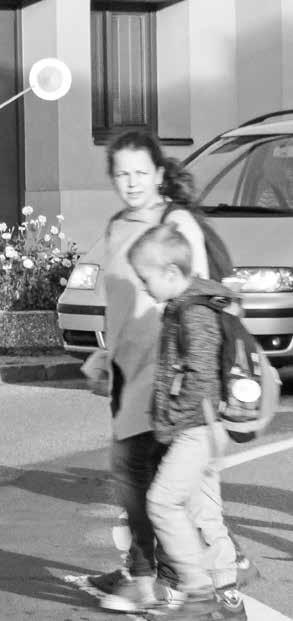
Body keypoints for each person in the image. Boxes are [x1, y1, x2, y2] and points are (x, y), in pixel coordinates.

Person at [91, 130, 250, 612]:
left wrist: (189, 401)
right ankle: (168, 578)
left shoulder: (175, 226)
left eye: (141, 172)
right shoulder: (119, 225)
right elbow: (119, 303)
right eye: (122, 174)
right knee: (145, 486)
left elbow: (197, 302)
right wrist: (105, 353)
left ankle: (199, 584)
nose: (132, 182)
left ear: (160, 174)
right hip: (139, 382)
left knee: (176, 495)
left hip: (177, 395)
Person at [127, 223, 246, 620]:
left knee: (162, 502)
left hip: (195, 429)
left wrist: (171, 422)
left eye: (147, 280)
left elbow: (201, 379)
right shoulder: (187, 308)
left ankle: (197, 589)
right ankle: (228, 598)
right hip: (204, 429)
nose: (144, 288)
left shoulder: (193, 313)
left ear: (173, 275)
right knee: (204, 511)